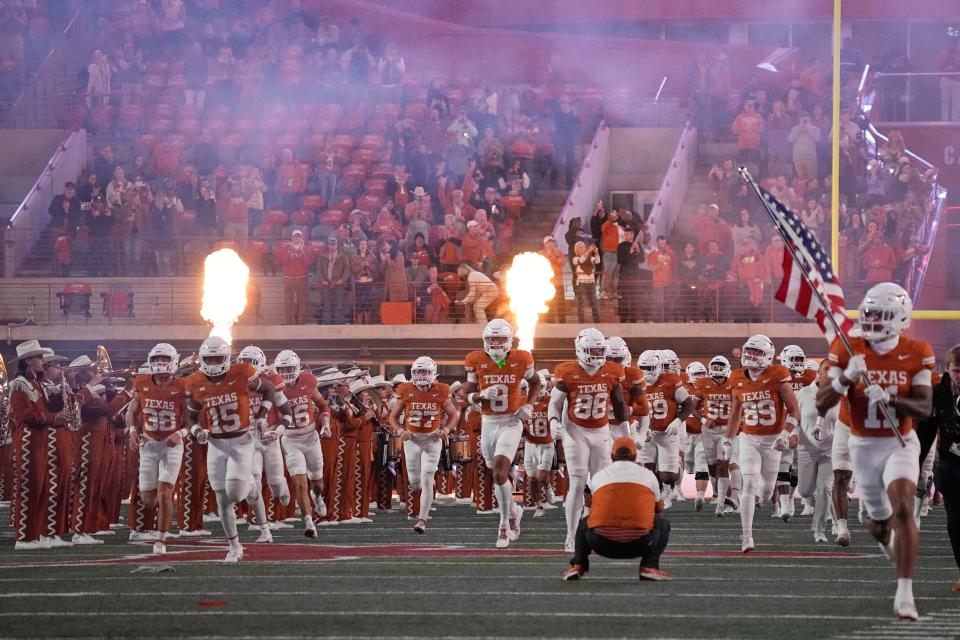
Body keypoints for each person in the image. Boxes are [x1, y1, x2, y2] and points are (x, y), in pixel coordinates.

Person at [817, 282, 934, 620]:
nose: (871, 320)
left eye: (880, 315)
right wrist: (843, 379)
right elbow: (824, 402)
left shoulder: (916, 350)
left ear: (900, 318)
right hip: (863, 445)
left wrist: (893, 398)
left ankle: (905, 594)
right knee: (879, 525)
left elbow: (925, 408)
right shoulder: (848, 347)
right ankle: (886, 542)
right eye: (868, 313)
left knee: (903, 509)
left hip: (900, 440)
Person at [184, 337, 293, 562]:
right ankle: (234, 546)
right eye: (209, 358)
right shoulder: (195, 381)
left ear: (227, 358)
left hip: (241, 441)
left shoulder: (241, 373)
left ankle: (252, 486)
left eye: (217, 358)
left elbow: (269, 389)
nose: (213, 363)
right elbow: (190, 415)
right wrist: (196, 431)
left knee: (235, 493)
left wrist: (262, 415)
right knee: (223, 498)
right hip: (215, 444)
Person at [461, 319, 540, 548]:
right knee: (495, 473)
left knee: (499, 472)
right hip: (488, 421)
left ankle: (504, 525)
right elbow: (465, 393)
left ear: (509, 341)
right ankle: (515, 511)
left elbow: (535, 383)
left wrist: (529, 405)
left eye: (500, 339)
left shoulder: (521, 358)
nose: (495, 343)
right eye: (491, 339)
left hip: (511, 422)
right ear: (485, 340)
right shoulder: (476, 359)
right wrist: (479, 395)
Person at [550, 328, 630, 552]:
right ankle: (572, 535)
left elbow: (619, 403)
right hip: (576, 431)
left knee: (601, 485)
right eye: (591, 350)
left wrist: (626, 432)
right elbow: (555, 403)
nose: (596, 355)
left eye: (599, 349)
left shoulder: (612, 371)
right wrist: (553, 422)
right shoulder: (567, 371)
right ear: (580, 349)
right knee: (577, 482)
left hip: (602, 431)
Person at [724, 335, 800, 553]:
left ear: (767, 356)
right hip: (749, 438)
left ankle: (764, 499)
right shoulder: (737, 377)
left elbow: (794, 410)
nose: (750, 355)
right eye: (749, 350)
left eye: (756, 352)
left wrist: (785, 433)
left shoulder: (777, 375)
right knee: (749, 483)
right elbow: (736, 412)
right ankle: (746, 536)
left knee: (766, 492)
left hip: (773, 440)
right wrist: (728, 439)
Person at [562, 436, 672, 582]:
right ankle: (649, 566)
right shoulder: (648, 475)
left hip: (601, 544)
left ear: (612, 456)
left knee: (584, 523)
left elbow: (596, 504)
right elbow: (658, 508)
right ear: (634, 456)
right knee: (662, 524)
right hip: (639, 544)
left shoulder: (599, 476)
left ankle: (578, 564)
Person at [125, 344, 189, 555]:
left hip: (172, 445)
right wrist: (133, 430)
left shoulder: (183, 386)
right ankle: (157, 525)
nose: (161, 363)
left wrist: (179, 434)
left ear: (173, 361)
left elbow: (194, 420)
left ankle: (161, 539)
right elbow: (132, 411)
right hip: (148, 444)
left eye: (165, 359)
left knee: (165, 491)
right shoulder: (141, 382)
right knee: (148, 499)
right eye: (157, 359)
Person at [389, 357, 460, 533]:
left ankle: (421, 520)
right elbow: (392, 417)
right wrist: (400, 431)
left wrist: (446, 429)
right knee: (415, 483)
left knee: (427, 476)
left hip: (432, 439)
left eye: (425, 372)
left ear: (433, 373)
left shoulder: (441, 390)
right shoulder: (405, 389)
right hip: (412, 440)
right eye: (418, 372)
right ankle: (419, 494)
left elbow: (454, 414)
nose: (421, 375)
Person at [10, 341, 67, 549]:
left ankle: (34, 534)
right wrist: (54, 418)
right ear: (28, 360)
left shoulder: (34, 383)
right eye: (39, 358)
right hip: (27, 441)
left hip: (38, 440)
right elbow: (24, 415)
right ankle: (24, 537)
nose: (43, 361)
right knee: (28, 489)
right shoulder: (19, 384)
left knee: (40, 488)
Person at [916, 344, 960, 591]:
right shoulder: (937, 394)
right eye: (957, 371)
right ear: (948, 369)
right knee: (955, 523)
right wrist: (916, 463)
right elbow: (925, 433)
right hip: (951, 466)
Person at [274, 350, 331, 539]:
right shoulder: (274, 387)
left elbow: (323, 406)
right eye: (282, 369)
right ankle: (308, 522)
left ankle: (318, 498)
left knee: (317, 482)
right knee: (299, 482)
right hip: (290, 439)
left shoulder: (308, 381)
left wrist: (326, 425)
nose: (286, 372)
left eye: (290, 368)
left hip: (310, 437)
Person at [236, 346, 289, 544]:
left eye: (250, 362)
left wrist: (277, 432)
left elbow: (287, 414)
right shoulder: (234, 383)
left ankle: (282, 488)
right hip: (248, 438)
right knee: (253, 482)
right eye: (243, 362)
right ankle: (264, 529)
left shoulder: (272, 381)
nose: (246, 366)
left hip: (270, 437)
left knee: (277, 486)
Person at [636, 350, 696, 509]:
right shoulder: (637, 383)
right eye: (643, 367)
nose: (646, 372)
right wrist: (641, 428)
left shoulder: (670, 381)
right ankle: (658, 495)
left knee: (668, 475)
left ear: (658, 367)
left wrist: (677, 420)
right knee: (646, 470)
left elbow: (688, 404)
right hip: (648, 434)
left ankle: (672, 478)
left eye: (649, 368)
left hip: (667, 434)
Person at [796, 360, 838, 543]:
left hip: (830, 449)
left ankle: (821, 530)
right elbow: (793, 417)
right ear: (818, 372)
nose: (829, 372)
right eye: (826, 369)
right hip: (806, 449)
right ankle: (817, 504)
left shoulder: (841, 396)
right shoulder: (803, 393)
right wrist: (788, 434)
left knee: (825, 489)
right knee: (805, 491)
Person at [521, 373, 554, 517]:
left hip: (546, 443)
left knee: (541, 476)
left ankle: (547, 487)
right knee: (532, 478)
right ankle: (539, 506)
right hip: (530, 444)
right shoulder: (524, 402)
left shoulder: (551, 401)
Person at [275, 230, 315, 325]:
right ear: (292, 238)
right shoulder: (285, 248)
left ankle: (301, 323)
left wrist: (301, 252)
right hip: (289, 278)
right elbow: (283, 261)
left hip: (302, 278)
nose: (297, 238)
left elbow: (309, 262)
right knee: (289, 301)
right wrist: (290, 252)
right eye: (295, 236)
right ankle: (290, 323)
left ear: (301, 238)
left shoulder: (306, 249)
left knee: (303, 301)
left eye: (298, 236)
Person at [317, 237, 351, 325]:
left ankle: (338, 324)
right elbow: (319, 270)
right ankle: (326, 324)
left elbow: (347, 270)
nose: (332, 246)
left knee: (338, 306)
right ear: (328, 246)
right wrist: (322, 280)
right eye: (331, 245)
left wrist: (342, 280)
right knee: (326, 306)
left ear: (337, 245)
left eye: (334, 245)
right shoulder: (322, 256)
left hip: (338, 285)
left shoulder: (343, 257)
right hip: (326, 285)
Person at [572, 241, 600, 323]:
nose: (583, 248)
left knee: (594, 303)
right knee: (581, 304)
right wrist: (588, 252)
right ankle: (581, 322)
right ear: (576, 250)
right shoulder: (575, 258)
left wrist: (597, 253)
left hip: (591, 284)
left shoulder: (590, 258)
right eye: (580, 247)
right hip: (581, 284)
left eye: (583, 246)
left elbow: (597, 261)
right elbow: (581, 260)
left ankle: (597, 321)